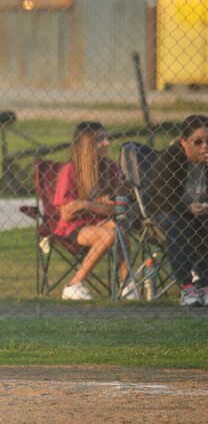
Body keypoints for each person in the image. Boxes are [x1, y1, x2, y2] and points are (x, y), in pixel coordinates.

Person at [52, 121, 127, 301]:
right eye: (100, 139)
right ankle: (74, 285)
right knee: (109, 235)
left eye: (106, 138)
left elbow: (118, 208)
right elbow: (67, 214)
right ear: (86, 144)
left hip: (99, 221)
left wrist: (86, 205)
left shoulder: (110, 167)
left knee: (121, 228)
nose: (107, 143)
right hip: (73, 229)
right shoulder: (70, 170)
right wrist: (99, 205)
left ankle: (127, 285)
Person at [148, 114, 208, 307]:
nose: (204, 147)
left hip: (202, 213)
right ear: (183, 142)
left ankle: (204, 285)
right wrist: (187, 208)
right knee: (176, 225)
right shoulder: (171, 157)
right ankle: (186, 287)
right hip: (170, 211)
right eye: (197, 142)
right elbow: (162, 197)